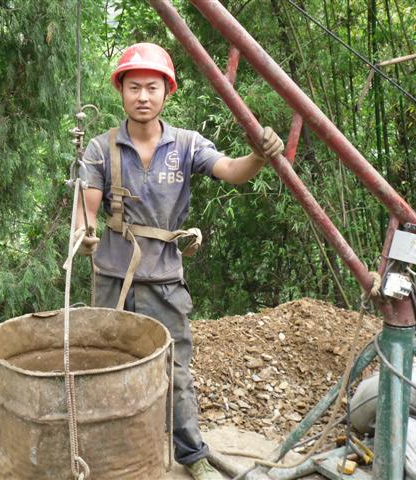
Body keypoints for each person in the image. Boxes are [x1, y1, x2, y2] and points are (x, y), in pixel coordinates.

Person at [75, 43, 283, 480]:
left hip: (164, 279)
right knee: (105, 365)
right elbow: (86, 208)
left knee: (176, 368)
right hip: (113, 278)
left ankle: (191, 454)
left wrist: (260, 156)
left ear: (167, 91)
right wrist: (85, 234)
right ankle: (111, 454)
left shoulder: (185, 145)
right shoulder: (100, 148)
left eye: (152, 87)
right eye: (134, 87)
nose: (143, 96)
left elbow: (231, 170)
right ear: (121, 92)